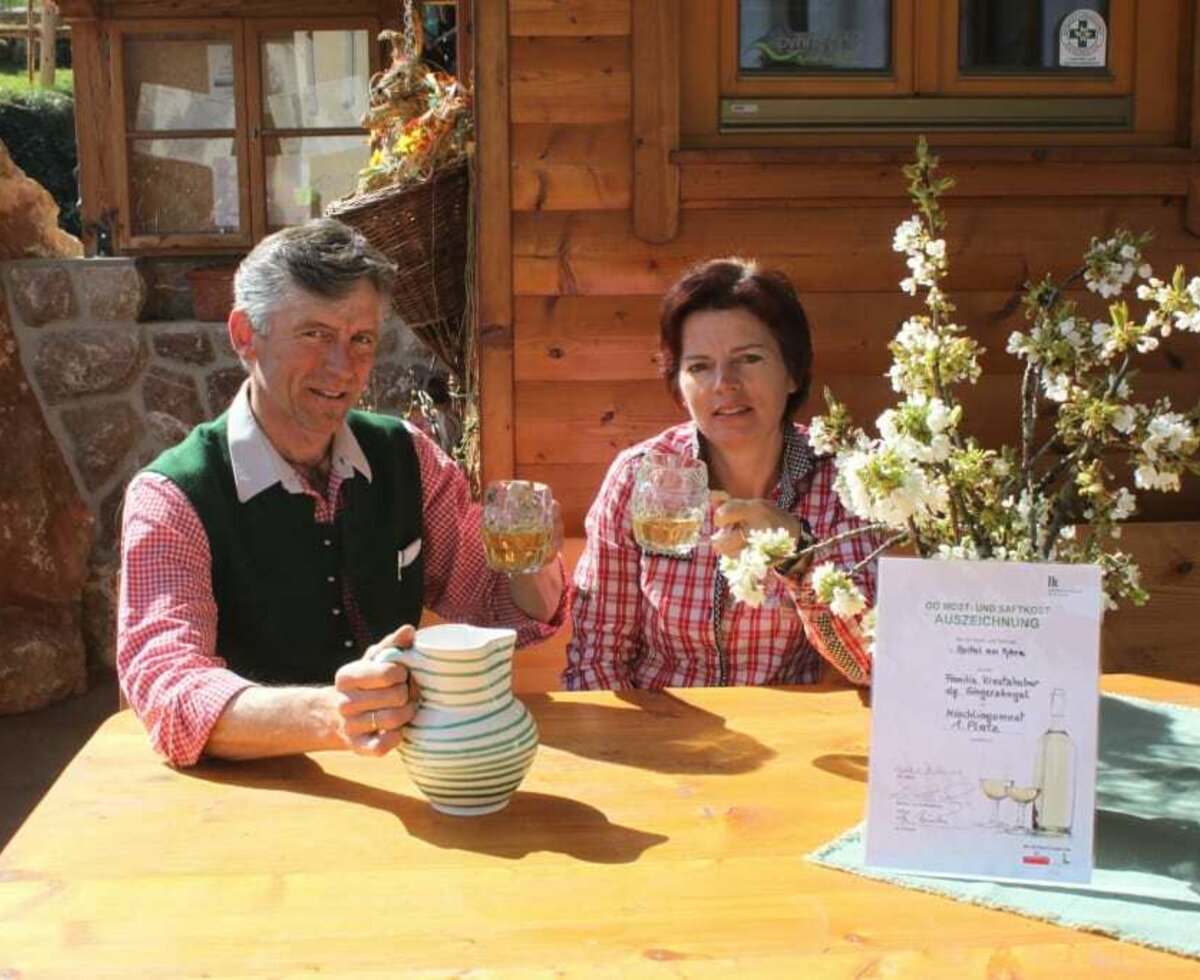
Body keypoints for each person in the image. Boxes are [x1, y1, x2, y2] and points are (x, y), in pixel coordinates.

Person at [119, 219, 567, 767]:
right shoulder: (172, 496)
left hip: (401, 779)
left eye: (361, 340)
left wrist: (534, 556)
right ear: (244, 336)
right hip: (242, 801)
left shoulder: (408, 455)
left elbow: (497, 608)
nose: (343, 367)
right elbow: (168, 689)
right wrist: (332, 715)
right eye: (314, 334)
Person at [564, 257, 881, 691]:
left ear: (793, 371)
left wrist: (800, 556)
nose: (724, 383)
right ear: (678, 385)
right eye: (699, 367)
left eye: (748, 358)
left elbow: (871, 663)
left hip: (796, 740)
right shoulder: (639, 477)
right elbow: (597, 659)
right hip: (664, 737)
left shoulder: (845, 479)